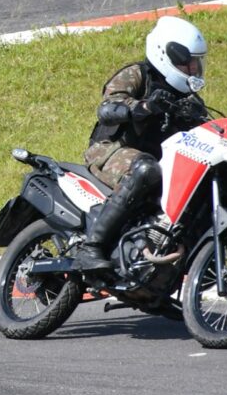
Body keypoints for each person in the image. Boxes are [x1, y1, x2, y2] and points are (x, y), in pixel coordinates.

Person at [76, 15, 210, 269]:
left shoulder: (189, 99)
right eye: (187, 64)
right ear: (165, 55)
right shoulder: (137, 74)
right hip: (111, 150)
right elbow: (108, 107)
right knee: (146, 169)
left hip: (156, 161)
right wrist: (144, 106)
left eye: (196, 63)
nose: (193, 69)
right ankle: (90, 248)